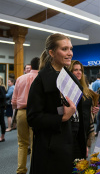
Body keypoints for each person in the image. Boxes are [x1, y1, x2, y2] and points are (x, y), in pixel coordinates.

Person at [27, 33, 86, 174]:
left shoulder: (70, 77)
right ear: (52, 53)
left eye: (70, 49)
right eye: (64, 49)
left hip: (73, 141)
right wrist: (62, 118)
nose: (70, 53)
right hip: (52, 149)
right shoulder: (41, 81)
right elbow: (33, 118)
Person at [12, 57, 39, 174]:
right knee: (35, 144)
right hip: (36, 113)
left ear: (31, 66)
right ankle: (34, 170)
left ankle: (21, 170)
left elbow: (14, 100)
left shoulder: (20, 79)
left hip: (21, 112)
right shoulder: (41, 78)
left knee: (22, 143)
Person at [69, 60, 99, 149]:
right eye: (75, 70)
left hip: (85, 126)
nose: (79, 72)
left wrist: (94, 110)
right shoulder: (68, 89)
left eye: (80, 70)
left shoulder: (85, 89)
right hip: (74, 130)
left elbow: (88, 107)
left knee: (84, 157)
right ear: (70, 72)